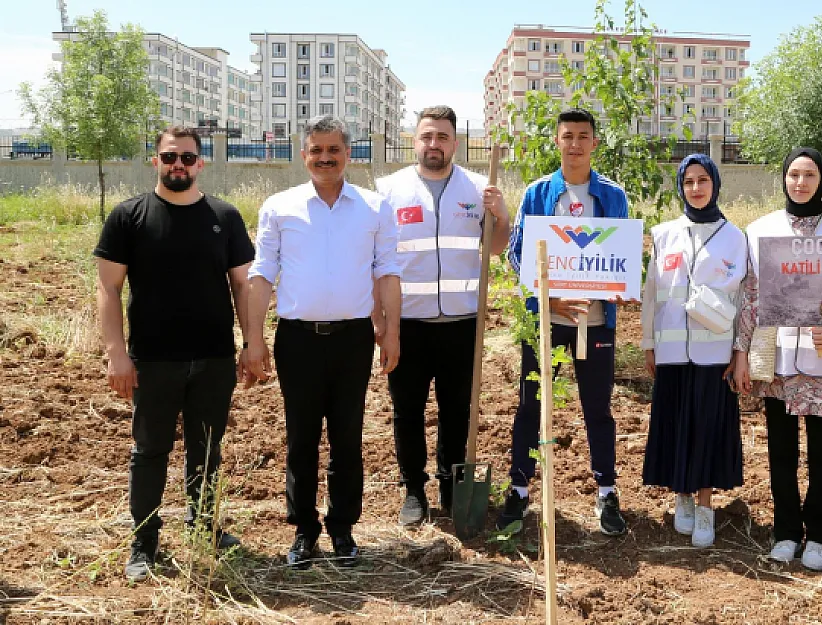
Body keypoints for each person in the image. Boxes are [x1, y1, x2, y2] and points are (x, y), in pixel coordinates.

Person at [93, 125, 255, 582]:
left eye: (186, 157)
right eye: (169, 158)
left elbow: (241, 285)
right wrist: (116, 355)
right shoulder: (128, 217)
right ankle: (144, 540)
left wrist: (252, 343)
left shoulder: (225, 215)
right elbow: (109, 289)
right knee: (149, 451)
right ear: (156, 162)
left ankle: (204, 527)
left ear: (200, 163)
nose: (177, 165)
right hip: (152, 360)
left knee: (207, 450)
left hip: (214, 358)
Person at [243, 115, 403, 569]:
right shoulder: (279, 206)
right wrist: (253, 340)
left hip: (353, 339)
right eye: (316, 150)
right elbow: (261, 276)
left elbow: (387, 271)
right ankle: (304, 531)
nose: (325, 158)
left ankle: (343, 529)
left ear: (348, 154)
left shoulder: (373, 207)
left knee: (348, 438)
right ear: (304, 155)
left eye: (333, 150)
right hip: (297, 340)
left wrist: (391, 332)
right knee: (301, 439)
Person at [496, 108, 631, 537]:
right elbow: (517, 254)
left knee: (598, 408)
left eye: (583, 136)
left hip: (595, 322)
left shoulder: (612, 196)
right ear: (557, 141)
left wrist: (618, 284)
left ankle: (607, 491)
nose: (575, 144)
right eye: (567, 136)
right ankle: (519, 490)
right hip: (546, 321)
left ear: (594, 143)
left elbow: (621, 255)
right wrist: (549, 298)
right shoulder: (538, 194)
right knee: (531, 406)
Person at [374, 106, 510, 526]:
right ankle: (413, 490)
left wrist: (500, 214)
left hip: (462, 324)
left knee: (457, 412)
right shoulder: (388, 190)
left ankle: (452, 488)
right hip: (407, 325)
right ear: (415, 140)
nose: (434, 144)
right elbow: (377, 261)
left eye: (443, 137)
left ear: (456, 142)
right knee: (407, 412)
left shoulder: (477, 188)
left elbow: (496, 248)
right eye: (427, 136)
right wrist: (382, 325)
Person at [739, 147, 822, 572]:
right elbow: (751, 298)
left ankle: (821, 534)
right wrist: (743, 352)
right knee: (781, 448)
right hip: (778, 355)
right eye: (793, 174)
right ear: (783, 179)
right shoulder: (760, 231)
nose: (800, 182)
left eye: (809, 174)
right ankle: (786, 530)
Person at [641, 154, 747, 548]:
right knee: (676, 426)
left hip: (713, 357)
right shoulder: (664, 233)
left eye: (703, 180)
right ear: (680, 187)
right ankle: (681, 498)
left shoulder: (736, 238)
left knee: (706, 429)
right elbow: (653, 294)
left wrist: (740, 353)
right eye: (688, 182)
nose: (696, 188)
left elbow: (744, 300)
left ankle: (705, 506)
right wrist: (648, 344)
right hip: (671, 354)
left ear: (715, 184)